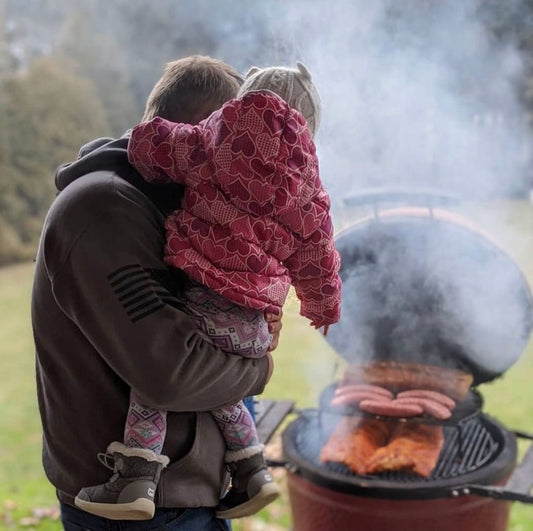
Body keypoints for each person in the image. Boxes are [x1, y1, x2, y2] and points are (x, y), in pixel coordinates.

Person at [73, 61, 342, 521]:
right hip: (254, 322)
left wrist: (133, 145)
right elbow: (321, 259)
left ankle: (136, 477)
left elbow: (160, 145)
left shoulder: (215, 142)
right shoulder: (308, 190)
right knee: (225, 394)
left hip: (206, 303)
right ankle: (254, 470)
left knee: (150, 391)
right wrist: (322, 307)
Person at [31, 55, 282, 531]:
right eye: (237, 148)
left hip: (182, 497)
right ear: (198, 134)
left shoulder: (168, 206)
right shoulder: (103, 210)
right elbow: (172, 372)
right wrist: (259, 365)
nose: (243, 172)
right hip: (141, 513)